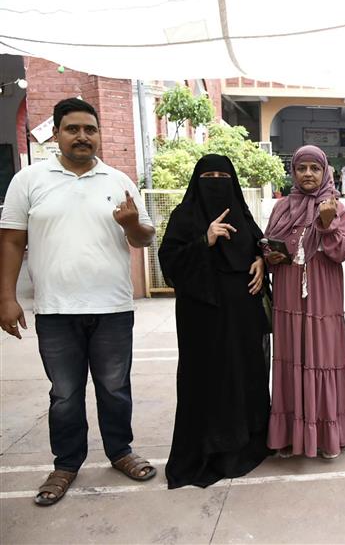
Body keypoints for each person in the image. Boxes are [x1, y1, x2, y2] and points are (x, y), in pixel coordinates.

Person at [0, 98, 156, 506]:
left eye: (90, 129)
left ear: (99, 134)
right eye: (73, 129)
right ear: (56, 134)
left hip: (113, 308)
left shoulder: (118, 180)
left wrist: (131, 223)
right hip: (55, 310)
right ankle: (66, 463)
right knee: (65, 393)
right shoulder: (30, 181)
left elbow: (143, 239)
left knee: (115, 388)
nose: (82, 136)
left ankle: (120, 451)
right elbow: (13, 240)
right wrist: (6, 296)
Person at [159, 154, 271, 488]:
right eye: (208, 176)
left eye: (223, 176)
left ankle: (246, 444)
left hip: (242, 319)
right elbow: (170, 264)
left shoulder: (242, 213)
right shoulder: (185, 216)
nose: (216, 183)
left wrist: (261, 262)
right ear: (197, 181)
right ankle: (209, 450)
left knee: (244, 376)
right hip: (202, 321)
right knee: (207, 381)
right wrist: (203, 241)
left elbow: (259, 245)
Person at [264, 145, 345, 459]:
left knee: (322, 358)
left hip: (323, 294)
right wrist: (271, 255)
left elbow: (342, 253)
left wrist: (328, 223)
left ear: (325, 171)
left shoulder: (336, 206)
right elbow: (267, 247)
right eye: (301, 168)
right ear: (293, 172)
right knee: (292, 357)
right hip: (288, 293)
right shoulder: (281, 208)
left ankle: (325, 436)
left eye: (314, 168)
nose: (307, 174)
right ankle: (291, 434)